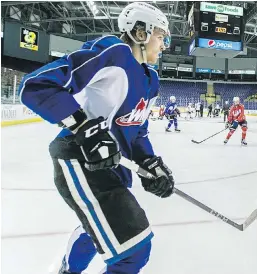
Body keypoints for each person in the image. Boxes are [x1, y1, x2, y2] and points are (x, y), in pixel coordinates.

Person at [19, 3, 175, 273]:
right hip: (80, 159)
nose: (164, 46)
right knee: (134, 251)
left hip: (111, 167)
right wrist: (83, 126)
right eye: (162, 37)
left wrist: (150, 163)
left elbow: (137, 130)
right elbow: (37, 86)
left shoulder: (151, 80)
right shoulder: (115, 53)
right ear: (141, 32)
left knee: (96, 232)